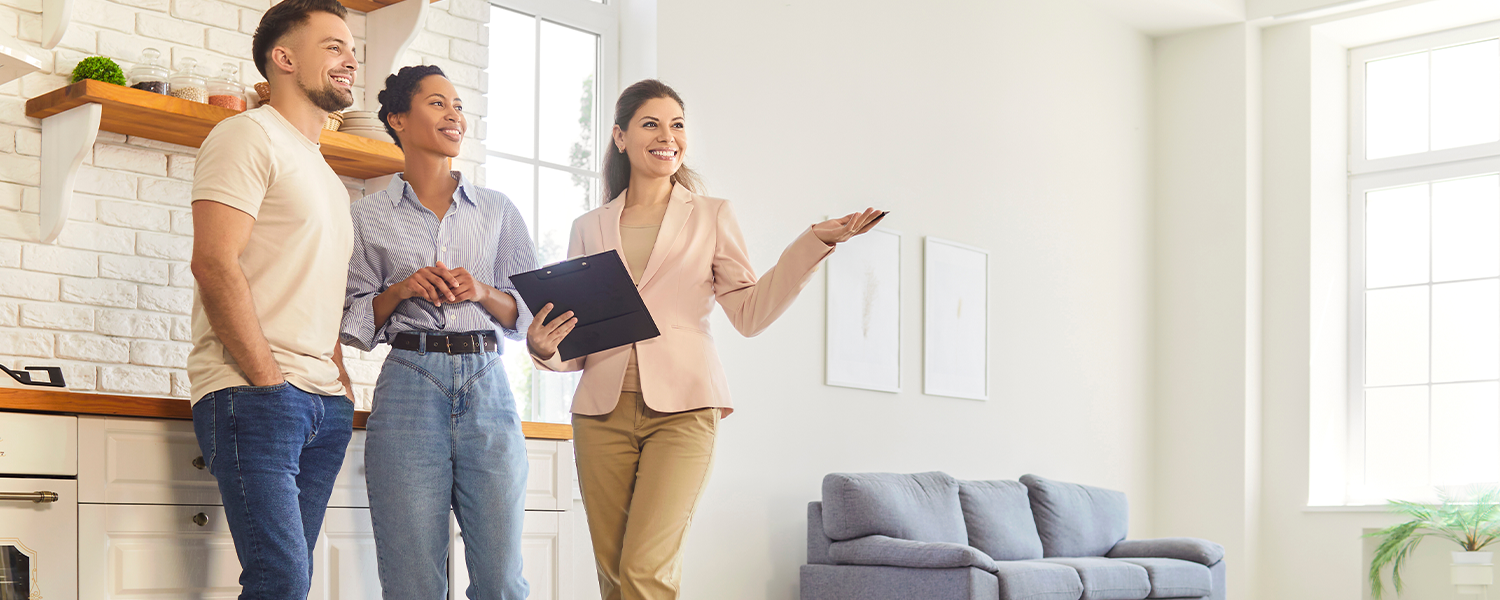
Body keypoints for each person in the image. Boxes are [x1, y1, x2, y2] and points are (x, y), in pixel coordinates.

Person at [528, 79, 885, 600]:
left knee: (646, 572)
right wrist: (544, 350)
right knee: (615, 579)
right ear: (620, 137)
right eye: (651, 123)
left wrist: (813, 243)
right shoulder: (590, 225)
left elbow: (750, 312)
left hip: (684, 412)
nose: (667, 135)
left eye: (677, 124)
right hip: (599, 415)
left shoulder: (711, 214)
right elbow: (583, 338)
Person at [340, 65, 537, 600]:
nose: (453, 114)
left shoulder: (498, 211)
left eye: (457, 105)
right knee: (411, 581)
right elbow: (353, 322)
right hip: (408, 382)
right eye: (436, 103)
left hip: (488, 383)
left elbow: (531, 312)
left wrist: (482, 291)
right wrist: (401, 289)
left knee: (501, 580)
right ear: (398, 119)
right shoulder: (365, 217)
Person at [187, 0, 359, 597]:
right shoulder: (245, 134)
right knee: (280, 579)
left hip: (321, 403)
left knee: (287, 580)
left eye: (351, 48)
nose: (350, 59)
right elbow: (213, 261)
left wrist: (337, 377)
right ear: (283, 58)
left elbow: (318, 285)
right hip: (257, 395)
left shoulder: (327, 177)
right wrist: (266, 379)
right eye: (333, 46)